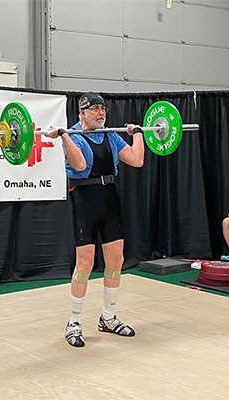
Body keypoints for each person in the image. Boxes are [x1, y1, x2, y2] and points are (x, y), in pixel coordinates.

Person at [49, 92, 144, 348]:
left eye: (104, 110)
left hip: (110, 198)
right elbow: (79, 166)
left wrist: (138, 134)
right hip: (85, 199)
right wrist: (64, 136)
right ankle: (74, 322)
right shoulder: (72, 135)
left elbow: (136, 160)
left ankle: (108, 317)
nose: (101, 114)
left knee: (116, 260)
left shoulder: (110, 135)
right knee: (85, 264)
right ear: (82, 112)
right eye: (96, 110)